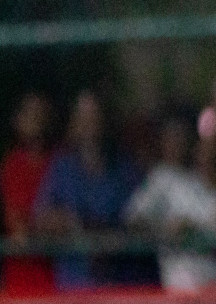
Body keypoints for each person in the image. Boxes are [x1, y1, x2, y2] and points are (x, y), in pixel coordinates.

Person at [32, 90, 141, 290]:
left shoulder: (125, 169)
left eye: (95, 116)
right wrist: (63, 221)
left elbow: (139, 220)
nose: (90, 124)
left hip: (118, 284)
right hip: (73, 284)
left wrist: (101, 229)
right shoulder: (61, 168)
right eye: (84, 117)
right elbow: (41, 217)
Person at [125, 115, 216, 292]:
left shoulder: (201, 185)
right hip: (180, 276)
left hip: (213, 273)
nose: (175, 145)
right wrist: (164, 228)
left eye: (180, 140)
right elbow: (133, 219)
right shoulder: (159, 177)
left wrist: (191, 226)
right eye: (171, 139)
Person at [2, 93, 56, 295]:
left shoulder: (59, 162)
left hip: (58, 274)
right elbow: (16, 224)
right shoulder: (12, 165)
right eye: (29, 112)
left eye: (40, 113)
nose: (35, 119)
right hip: (23, 274)